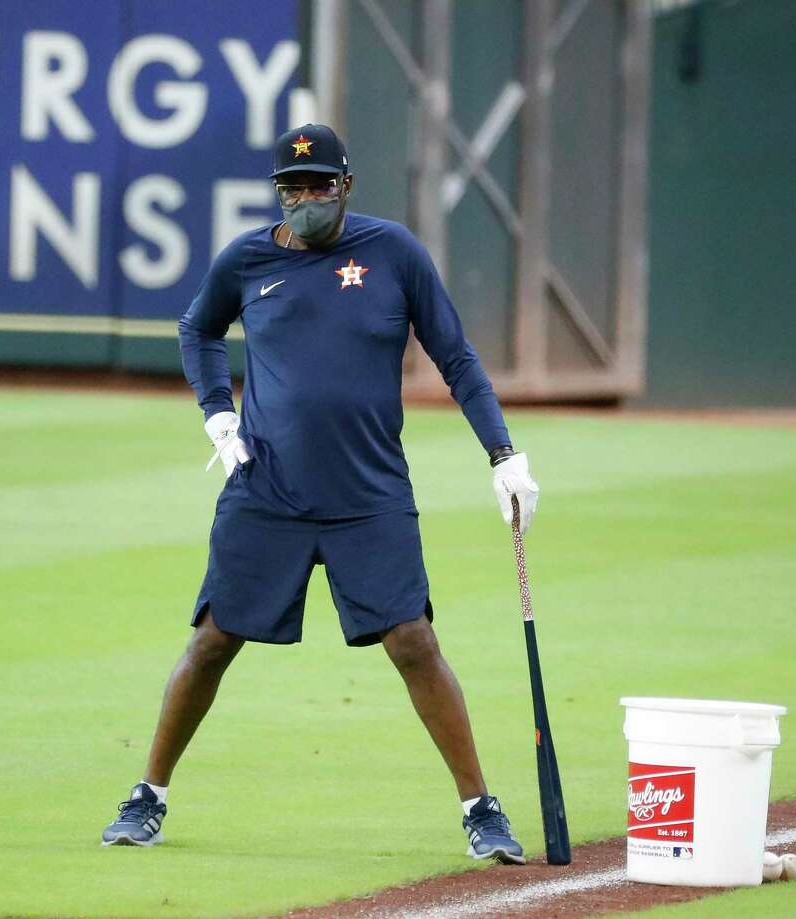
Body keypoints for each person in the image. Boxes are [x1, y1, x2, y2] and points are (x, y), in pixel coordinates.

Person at [102, 124, 539, 863]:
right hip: (265, 489)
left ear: (347, 187)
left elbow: (456, 356)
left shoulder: (393, 252)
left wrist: (503, 453)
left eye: (320, 187)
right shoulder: (247, 259)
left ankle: (481, 808)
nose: (306, 201)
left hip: (370, 493)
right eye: (293, 189)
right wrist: (216, 412)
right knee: (212, 641)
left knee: (413, 640)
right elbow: (197, 327)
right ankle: (148, 795)